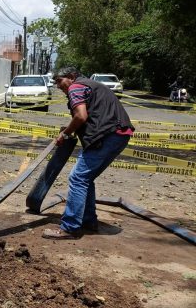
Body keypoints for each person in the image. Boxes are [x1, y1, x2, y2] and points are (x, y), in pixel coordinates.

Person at [42, 66, 134, 239]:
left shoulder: (75, 87)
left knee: (78, 178)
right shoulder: (91, 85)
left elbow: (81, 116)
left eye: (59, 81)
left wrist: (66, 133)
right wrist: (71, 129)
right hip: (119, 135)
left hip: (106, 136)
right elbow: (90, 116)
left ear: (70, 77)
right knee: (86, 178)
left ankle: (70, 227)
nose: (58, 86)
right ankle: (88, 220)